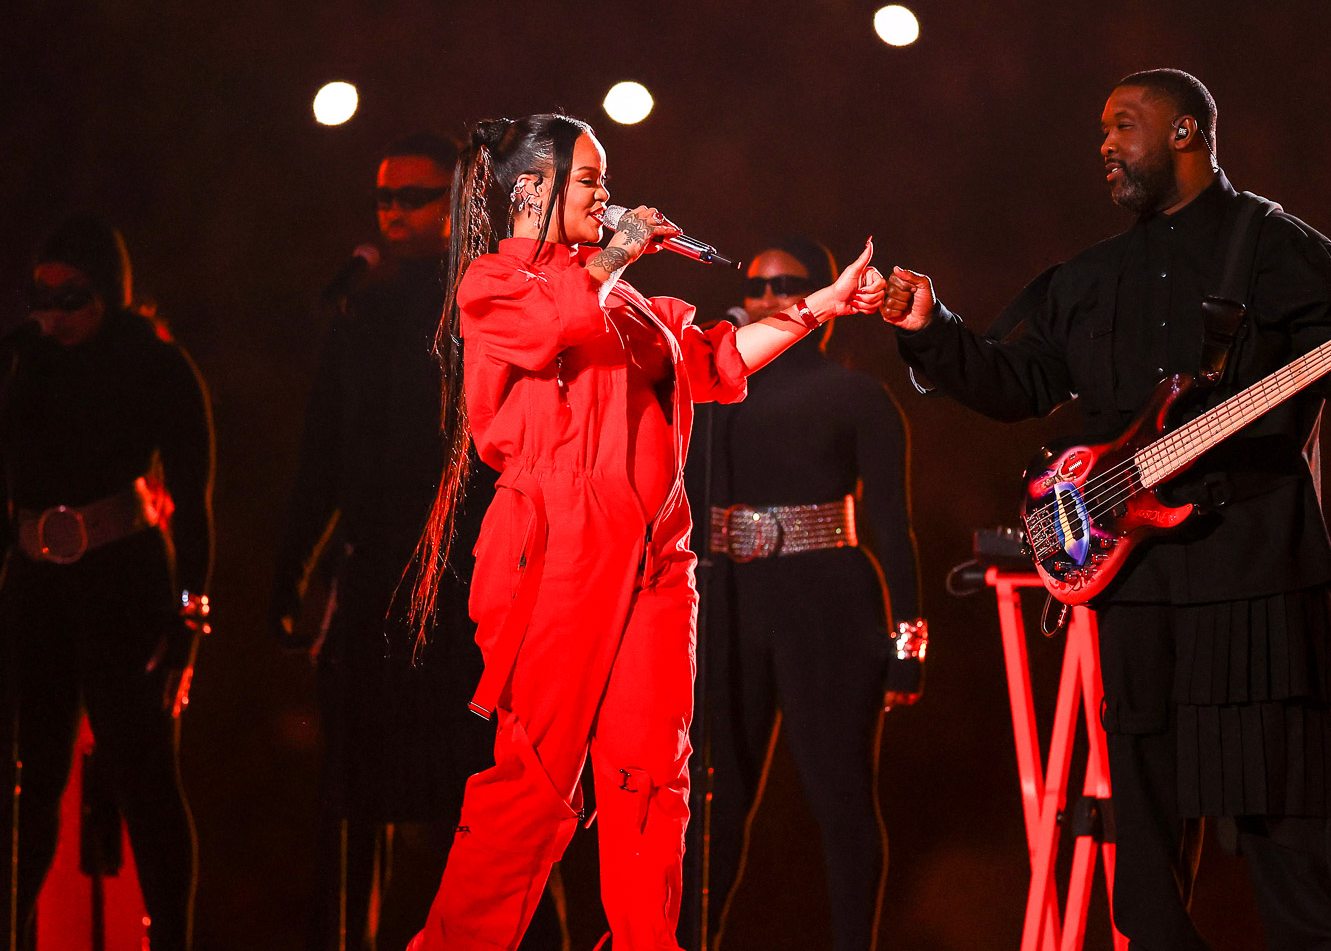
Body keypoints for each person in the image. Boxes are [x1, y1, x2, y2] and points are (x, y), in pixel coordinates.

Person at [880, 70, 1331, 950]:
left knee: (1289, 827)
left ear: (1186, 134)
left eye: (1122, 125)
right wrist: (928, 326)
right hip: (1135, 588)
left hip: (1253, 574)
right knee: (1146, 848)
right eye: (1100, 128)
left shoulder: (1277, 247)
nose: (1103, 144)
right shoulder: (1092, 276)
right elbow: (1017, 385)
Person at [403, 114, 883, 951]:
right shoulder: (494, 285)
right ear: (531, 190)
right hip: (556, 550)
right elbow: (555, 325)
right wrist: (615, 252)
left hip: (657, 558)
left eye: (603, 179)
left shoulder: (620, 296)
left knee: (652, 779)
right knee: (536, 783)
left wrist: (820, 307)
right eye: (590, 180)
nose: (607, 195)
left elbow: (715, 360)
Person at [269, 133, 563, 951]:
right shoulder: (359, 309)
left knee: (471, 802)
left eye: (415, 198)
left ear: (459, 202)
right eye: (384, 199)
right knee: (355, 802)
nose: (394, 214)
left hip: (472, 588)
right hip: (372, 591)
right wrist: (291, 570)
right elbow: (321, 453)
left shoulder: (494, 301)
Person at [680, 238, 921, 951]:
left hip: (829, 604)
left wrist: (909, 637)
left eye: (790, 283)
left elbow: (894, 526)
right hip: (730, 602)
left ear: (828, 296)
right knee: (712, 805)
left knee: (842, 799)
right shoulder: (710, 397)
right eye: (757, 284)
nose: (770, 295)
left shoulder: (858, 397)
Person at [1, 214, 213, 951]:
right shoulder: (25, 361)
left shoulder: (154, 364)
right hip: (36, 586)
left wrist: (190, 610)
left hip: (123, 583)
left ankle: (173, 939)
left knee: (143, 774)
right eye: (42, 296)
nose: (53, 314)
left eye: (73, 298)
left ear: (110, 293)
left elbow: (195, 493)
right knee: (31, 777)